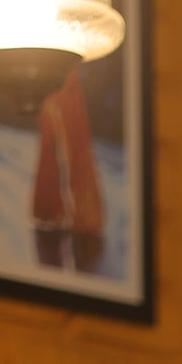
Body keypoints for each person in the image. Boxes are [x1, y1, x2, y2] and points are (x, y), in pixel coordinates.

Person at [31, 65, 106, 273]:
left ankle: (79, 212)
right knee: (52, 147)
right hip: (53, 83)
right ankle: (52, 210)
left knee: (74, 147)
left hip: (63, 82)